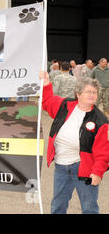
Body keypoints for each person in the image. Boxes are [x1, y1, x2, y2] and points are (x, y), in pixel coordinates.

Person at [40, 70, 109, 214]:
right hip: (61, 167)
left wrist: (97, 173)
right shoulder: (64, 105)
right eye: (88, 92)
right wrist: (46, 83)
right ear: (78, 94)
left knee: (89, 208)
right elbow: (46, 103)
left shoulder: (100, 120)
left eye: (95, 92)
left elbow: (103, 152)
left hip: (85, 169)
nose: (92, 95)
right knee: (58, 206)